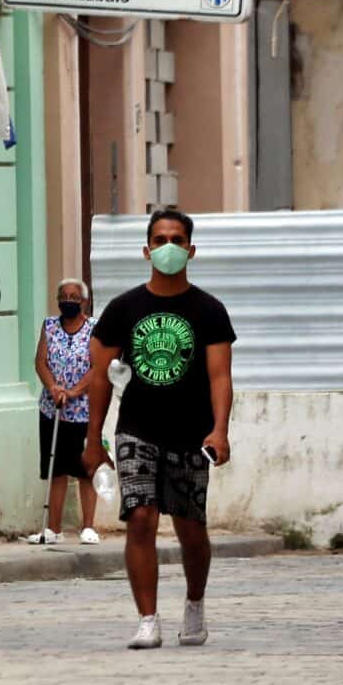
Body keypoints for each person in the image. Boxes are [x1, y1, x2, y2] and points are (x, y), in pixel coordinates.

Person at [81, 209, 236, 651]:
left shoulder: (209, 311)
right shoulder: (123, 309)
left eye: (177, 239)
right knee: (141, 518)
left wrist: (220, 430)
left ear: (191, 249)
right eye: (160, 238)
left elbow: (220, 377)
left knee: (191, 529)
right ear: (146, 249)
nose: (168, 246)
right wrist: (95, 441)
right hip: (137, 429)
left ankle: (194, 602)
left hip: (191, 432)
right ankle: (147, 619)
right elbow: (99, 377)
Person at [32, 278, 101, 546]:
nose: (69, 301)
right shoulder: (49, 326)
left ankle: (89, 527)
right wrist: (53, 388)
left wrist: (72, 392)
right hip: (52, 409)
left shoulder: (95, 328)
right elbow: (40, 361)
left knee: (85, 469)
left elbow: (97, 367)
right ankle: (53, 529)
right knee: (56, 468)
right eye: (64, 296)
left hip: (83, 410)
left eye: (75, 297)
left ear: (84, 301)